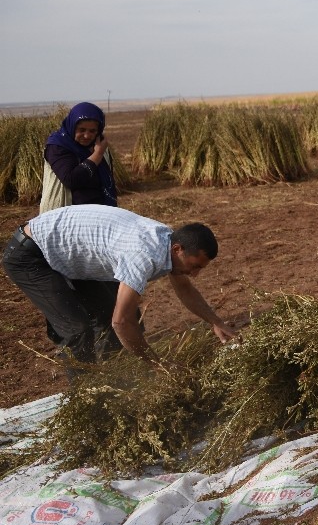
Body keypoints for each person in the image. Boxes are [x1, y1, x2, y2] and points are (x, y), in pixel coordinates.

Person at [2, 205, 237, 371]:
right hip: (32, 255)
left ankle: (115, 381)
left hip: (72, 256)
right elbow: (121, 322)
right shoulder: (143, 255)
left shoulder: (167, 242)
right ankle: (87, 404)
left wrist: (216, 321)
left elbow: (185, 290)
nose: (194, 274)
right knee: (76, 329)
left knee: (105, 317)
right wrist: (159, 365)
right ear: (178, 249)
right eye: (194, 266)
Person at [41, 102, 117, 212]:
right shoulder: (58, 146)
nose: (86, 136)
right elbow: (71, 180)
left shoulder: (98, 145)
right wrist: (97, 155)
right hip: (66, 215)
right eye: (81, 130)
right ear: (72, 126)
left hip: (99, 212)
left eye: (92, 131)